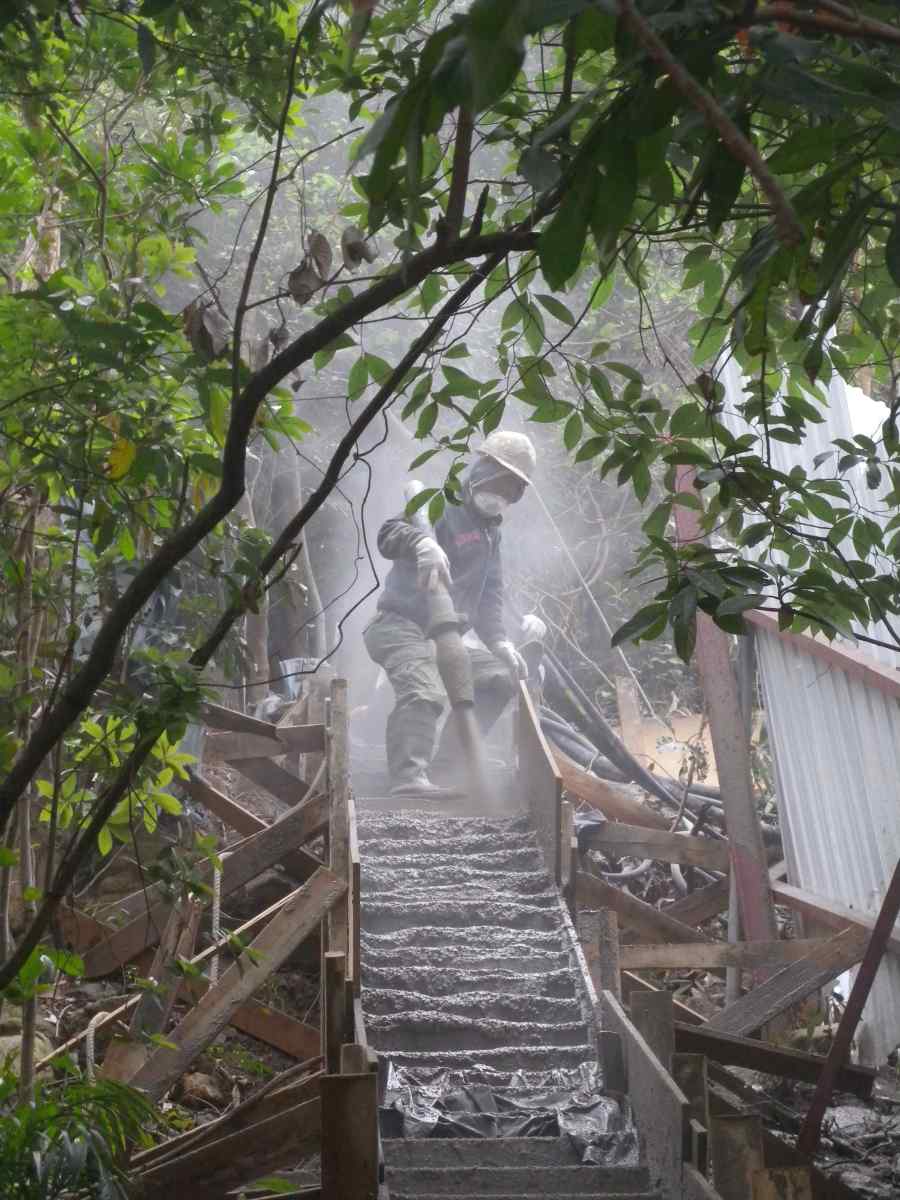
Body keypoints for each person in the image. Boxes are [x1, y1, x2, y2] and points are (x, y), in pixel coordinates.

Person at [364, 431, 537, 797]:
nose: (502, 495)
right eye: (499, 483)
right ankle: (408, 777)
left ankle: (445, 770)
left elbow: (491, 594)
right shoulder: (441, 504)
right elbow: (388, 533)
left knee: (499, 679)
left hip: (448, 638)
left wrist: (500, 641)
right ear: (481, 471)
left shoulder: (492, 534)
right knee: (425, 691)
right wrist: (422, 541)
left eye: (511, 490)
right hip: (400, 625)